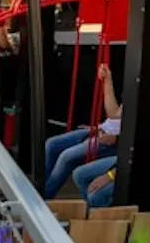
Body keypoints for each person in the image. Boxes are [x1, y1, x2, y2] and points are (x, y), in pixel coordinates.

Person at [42, 63, 121, 199]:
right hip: (103, 129)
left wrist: (117, 138)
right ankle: (43, 189)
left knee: (66, 157)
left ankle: (44, 198)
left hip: (112, 140)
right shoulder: (136, 85)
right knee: (52, 144)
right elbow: (114, 115)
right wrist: (107, 82)